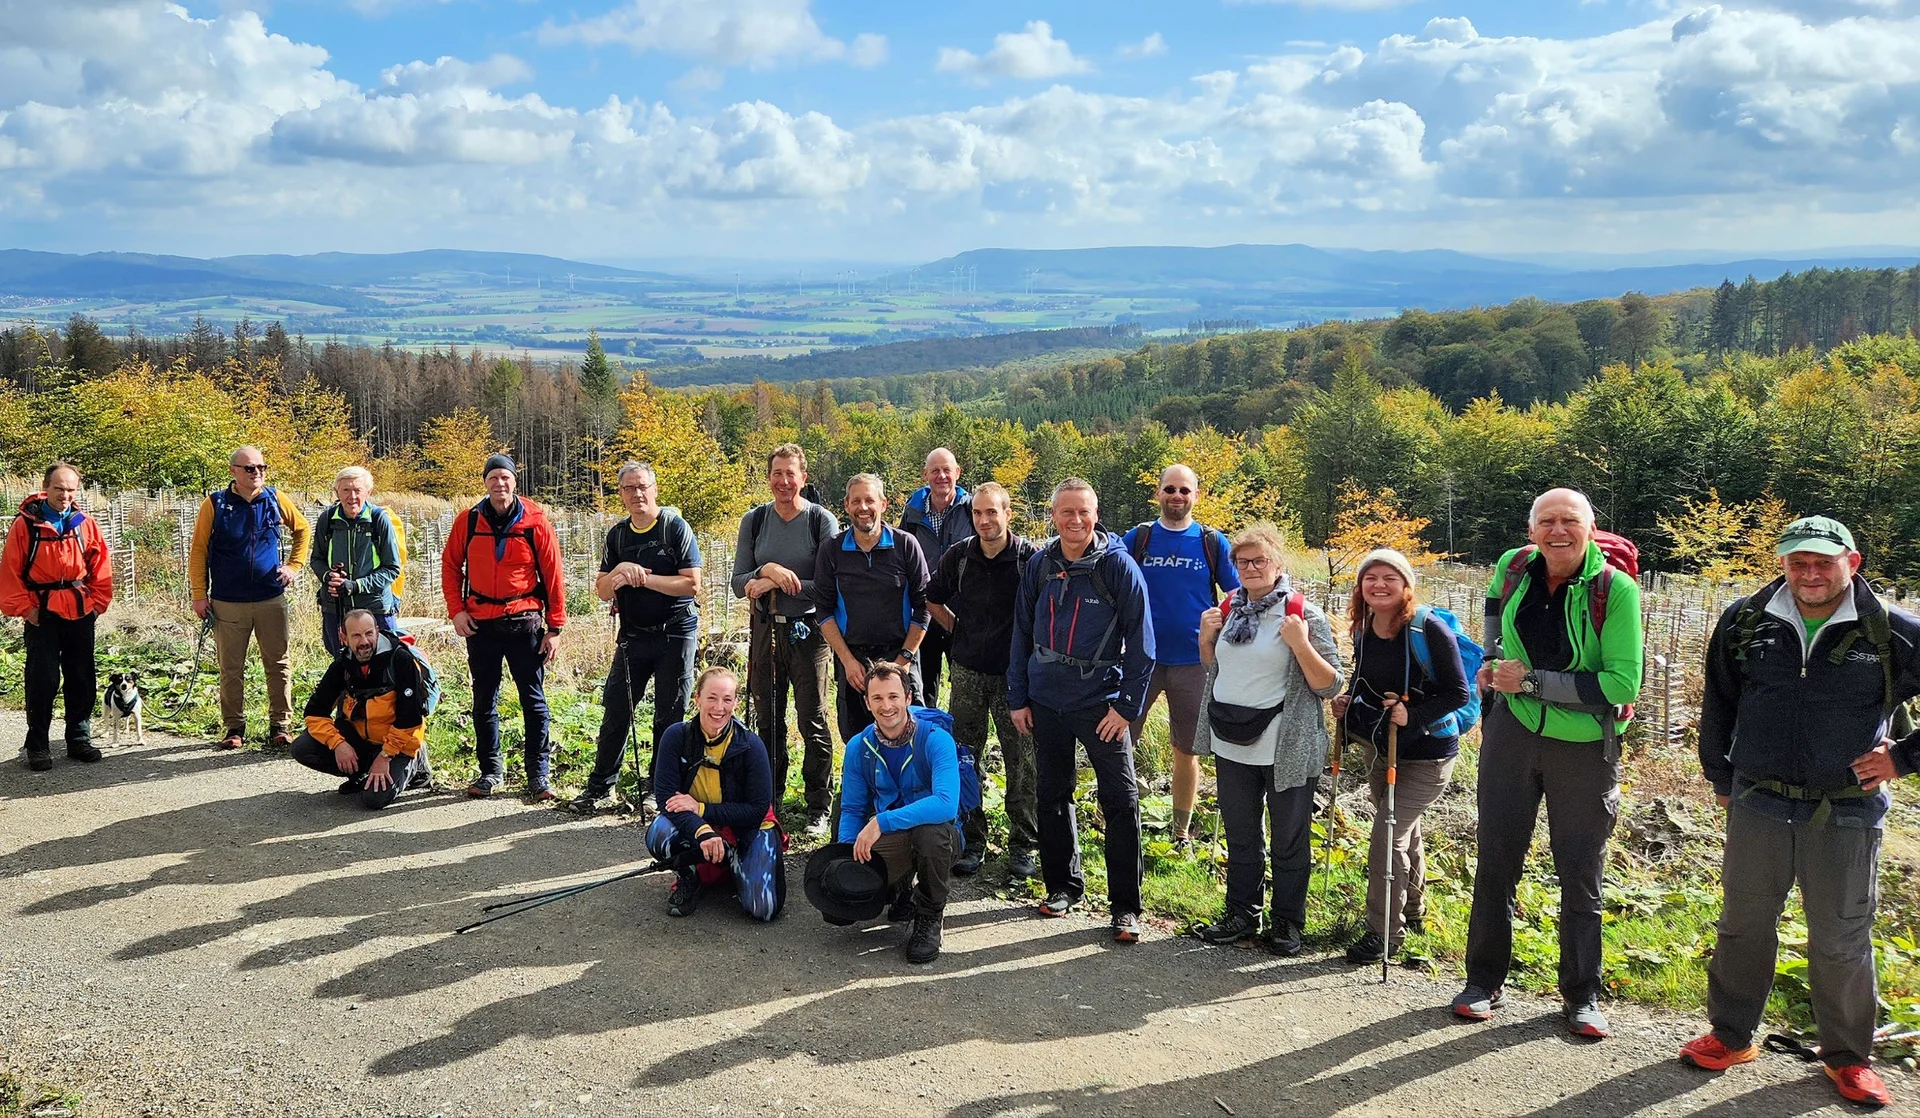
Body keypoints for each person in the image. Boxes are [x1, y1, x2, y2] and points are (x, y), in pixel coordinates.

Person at [1680, 516, 1920, 1108]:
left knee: (1841, 937)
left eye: (1823, 561)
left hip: (1844, 811)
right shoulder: (1745, 620)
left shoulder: (1893, 632)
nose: (1810, 573)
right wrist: (1720, 776)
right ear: (1783, 562)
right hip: (1758, 801)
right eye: (1797, 561)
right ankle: (1731, 1036)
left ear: (1852, 562)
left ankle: (1847, 1058)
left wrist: (1905, 759)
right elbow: (1721, 701)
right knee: (1743, 927)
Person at [1455, 487, 1642, 1039]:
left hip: (1584, 746)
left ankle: (1581, 995)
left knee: (1580, 871)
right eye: (1547, 521)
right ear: (1531, 530)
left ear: (1589, 527)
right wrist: (1491, 663)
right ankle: (1482, 982)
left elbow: (1621, 684)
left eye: (1569, 521)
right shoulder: (1513, 567)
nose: (1558, 531)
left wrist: (1531, 681)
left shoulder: (1616, 590)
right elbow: (1492, 610)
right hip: (1512, 733)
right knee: (1496, 859)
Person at [1008, 477, 1155, 943]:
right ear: (1053, 515)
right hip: (1047, 699)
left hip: (1101, 704)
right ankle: (1063, 887)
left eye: (1084, 512)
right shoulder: (1039, 565)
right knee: (1053, 794)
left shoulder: (1118, 567)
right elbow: (1021, 633)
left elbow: (1143, 646)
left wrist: (1126, 708)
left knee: (1121, 802)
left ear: (1096, 514)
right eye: (1066, 512)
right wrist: (1018, 697)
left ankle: (1126, 908)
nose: (1075, 521)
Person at [1189, 523, 1343, 953]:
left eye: (1260, 560)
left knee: (1289, 838)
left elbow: (1331, 685)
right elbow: (1217, 669)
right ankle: (1241, 913)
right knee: (1241, 834)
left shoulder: (1303, 615)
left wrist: (1300, 645)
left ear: (1278, 564)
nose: (1251, 568)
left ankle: (1287, 922)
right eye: (1243, 561)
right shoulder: (1229, 609)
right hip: (1229, 739)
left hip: (1284, 745)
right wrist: (1206, 640)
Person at [1329, 549, 1469, 964]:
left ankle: (1383, 933)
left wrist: (1415, 714)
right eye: (1370, 577)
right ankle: (1414, 908)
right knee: (1404, 828)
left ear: (1406, 585)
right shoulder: (1364, 628)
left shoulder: (1429, 630)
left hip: (1429, 755)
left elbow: (1457, 693)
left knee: (1387, 832)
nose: (1379, 584)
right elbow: (1365, 681)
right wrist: (1347, 701)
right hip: (1382, 747)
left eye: (1390, 577)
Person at [569, 462, 702, 814]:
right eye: (629, 488)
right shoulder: (617, 536)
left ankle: (661, 789)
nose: (637, 494)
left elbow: (692, 583)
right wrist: (616, 574)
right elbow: (600, 590)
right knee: (616, 708)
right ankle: (601, 787)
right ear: (622, 494)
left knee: (669, 716)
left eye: (642, 486)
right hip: (632, 636)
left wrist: (642, 577)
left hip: (676, 632)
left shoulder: (675, 528)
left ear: (655, 488)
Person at [926, 481, 1039, 879]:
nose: (985, 520)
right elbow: (932, 598)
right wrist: (959, 632)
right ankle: (971, 841)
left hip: (1015, 678)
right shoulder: (959, 556)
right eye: (977, 513)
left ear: (1008, 514)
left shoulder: (1029, 558)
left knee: (1022, 764)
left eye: (993, 512)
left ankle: (1023, 845)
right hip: (968, 673)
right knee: (964, 760)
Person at [1124, 463, 1239, 847]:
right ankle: (1119, 819)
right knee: (1122, 740)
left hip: (1194, 661)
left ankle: (1180, 832)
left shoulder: (1211, 541)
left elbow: (1237, 595)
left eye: (1184, 491)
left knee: (1187, 749)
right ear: (1158, 493)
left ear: (1196, 495)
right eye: (1170, 489)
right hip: (1142, 659)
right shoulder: (1138, 538)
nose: (1177, 497)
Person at [441, 453, 567, 801]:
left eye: (505, 478)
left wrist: (555, 628)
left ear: (515, 481)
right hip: (480, 624)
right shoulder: (468, 521)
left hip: (524, 622)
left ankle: (538, 775)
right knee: (484, 699)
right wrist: (456, 611)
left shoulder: (535, 522)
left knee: (534, 701)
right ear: (485, 482)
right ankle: (490, 771)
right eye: (493, 478)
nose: (500, 484)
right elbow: (451, 567)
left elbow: (554, 576)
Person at [812, 473, 931, 833]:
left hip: (901, 656)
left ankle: (912, 827)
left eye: (870, 500)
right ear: (846, 506)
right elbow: (823, 611)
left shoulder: (906, 545)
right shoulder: (832, 549)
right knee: (858, 742)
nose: (863, 507)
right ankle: (854, 829)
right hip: (853, 660)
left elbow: (923, 609)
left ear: (883, 504)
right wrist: (847, 661)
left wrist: (904, 662)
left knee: (911, 740)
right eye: (856, 501)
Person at [731, 444, 839, 822]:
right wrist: (767, 572)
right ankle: (769, 799)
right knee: (768, 719)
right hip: (765, 631)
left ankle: (818, 805)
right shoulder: (755, 521)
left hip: (809, 632)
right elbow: (737, 581)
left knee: (812, 718)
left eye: (791, 474)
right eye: (777, 473)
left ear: (803, 478)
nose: (784, 481)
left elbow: (829, 586)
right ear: (769, 478)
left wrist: (779, 582)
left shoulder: (820, 521)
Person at [835, 662, 960, 964]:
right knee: (836, 909)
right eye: (877, 698)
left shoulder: (935, 739)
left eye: (893, 697)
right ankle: (900, 889)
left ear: (908, 698)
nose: (886, 706)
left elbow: (946, 803)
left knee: (929, 835)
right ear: (866, 702)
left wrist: (882, 821)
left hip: (939, 837)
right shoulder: (858, 746)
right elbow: (851, 808)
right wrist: (845, 861)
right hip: (892, 837)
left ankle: (930, 915)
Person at [189, 445, 311, 751]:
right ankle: (234, 727)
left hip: (270, 597)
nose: (256, 472)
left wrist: (294, 566)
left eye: (261, 467)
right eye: (249, 468)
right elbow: (199, 551)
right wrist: (199, 595)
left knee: (278, 663)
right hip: (228, 601)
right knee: (231, 668)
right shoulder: (215, 504)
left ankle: (280, 726)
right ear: (233, 471)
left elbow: (303, 529)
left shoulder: (275, 498)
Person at [646, 666, 786, 922]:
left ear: (735, 703)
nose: (719, 707)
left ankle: (736, 865)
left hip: (748, 826)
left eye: (727, 699)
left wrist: (701, 809)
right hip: (701, 826)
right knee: (659, 833)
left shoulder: (751, 746)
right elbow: (666, 797)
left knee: (763, 909)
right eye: (711, 697)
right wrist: (703, 830)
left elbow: (756, 810)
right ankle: (692, 875)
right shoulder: (676, 736)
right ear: (697, 698)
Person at [1, 463, 112, 771]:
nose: (65, 495)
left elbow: (100, 566)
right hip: (42, 612)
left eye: (71, 490)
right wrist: (27, 609)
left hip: (78, 609)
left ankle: (78, 738)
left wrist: (97, 603)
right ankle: (37, 743)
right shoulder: (26, 525)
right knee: (43, 678)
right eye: (59, 488)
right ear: (46, 488)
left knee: (81, 675)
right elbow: (10, 571)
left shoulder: (84, 524)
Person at [289, 609, 433, 810]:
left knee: (374, 800)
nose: (364, 641)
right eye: (356, 635)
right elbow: (314, 713)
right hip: (362, 740)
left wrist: (385, 756)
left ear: (377, 631)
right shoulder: (342, 665)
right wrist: (338, 744)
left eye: (369, 633)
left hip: (398, 744)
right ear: (343, 638)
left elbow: (411, 720)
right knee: (302, 748)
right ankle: (360, 773)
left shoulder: (400, 660)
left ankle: (416, 763)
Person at [899, 447, 975, 708]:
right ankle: (929, 741)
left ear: (957, 473)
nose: (941, 476)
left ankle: (961, 744)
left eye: (946, 470)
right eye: (935, 471)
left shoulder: (972, 510)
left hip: (963, 611)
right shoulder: (912, 513)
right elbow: (902, 557)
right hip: (926, 610)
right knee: (925, 686)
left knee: (966, 687)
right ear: (925, 475)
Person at [307, 465, 406, 657]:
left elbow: (392, 568)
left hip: (375, 607)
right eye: (346, 490)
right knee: (342, 663)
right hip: (335, 607)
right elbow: (317, 559)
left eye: (357, 490)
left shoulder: (379, 519)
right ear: (337, 492)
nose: (352, 497)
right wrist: (329, 577)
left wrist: (355, 586)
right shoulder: (327, 519)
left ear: (368, 492)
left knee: (385, 661)